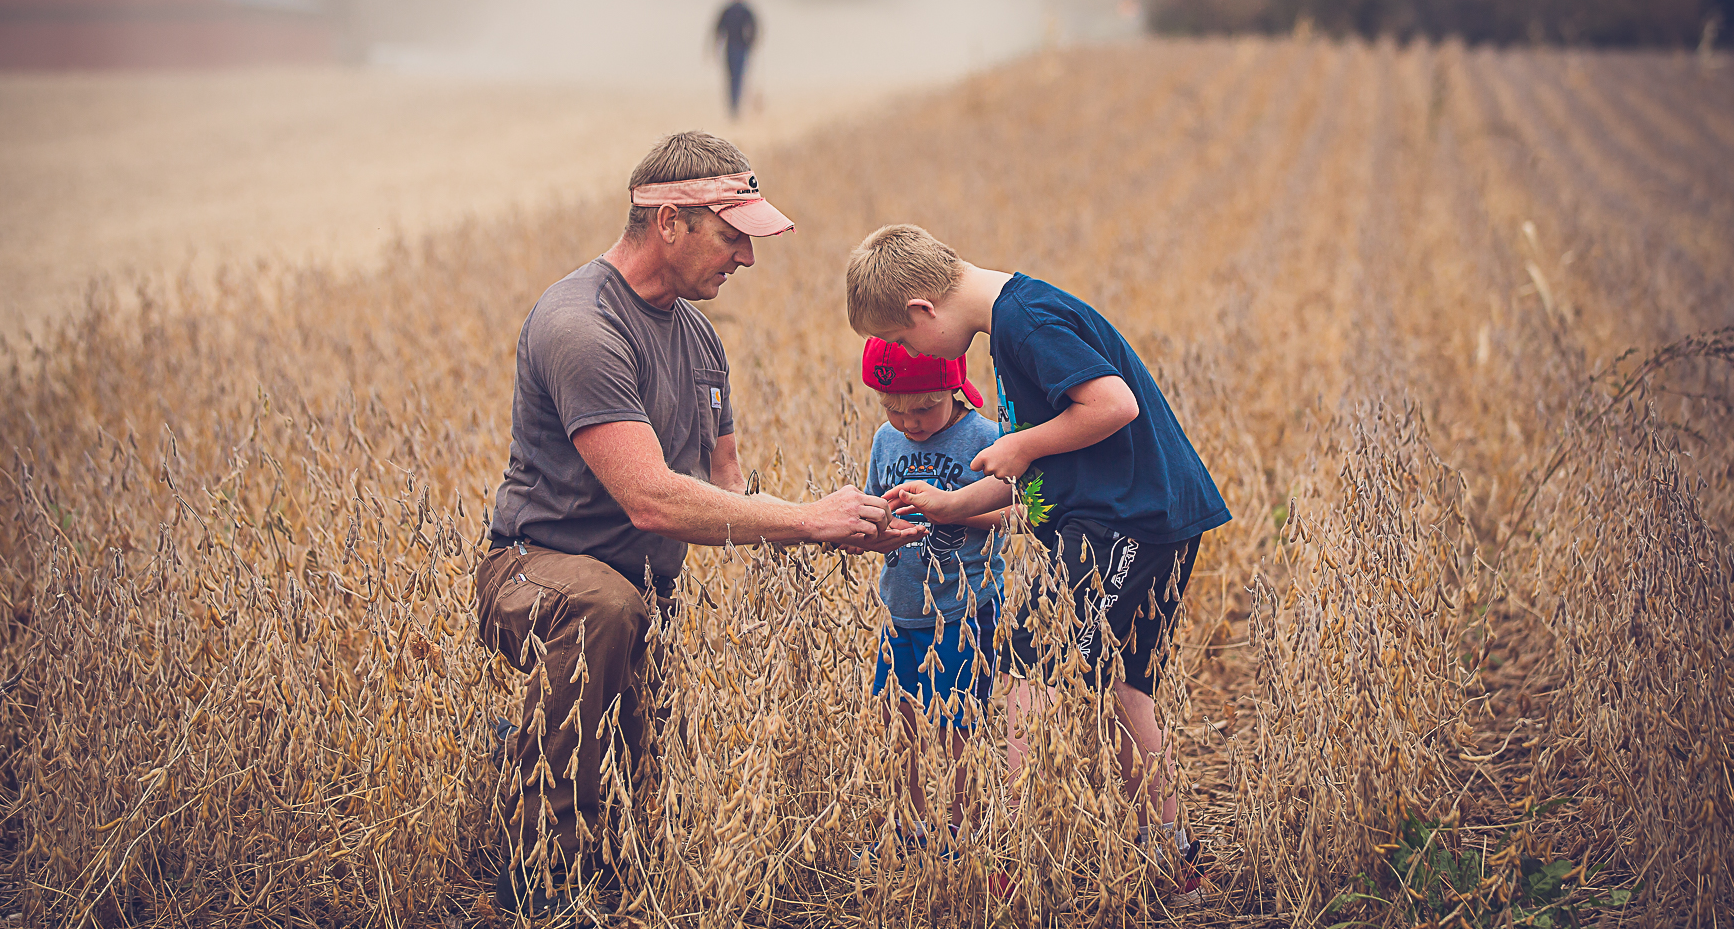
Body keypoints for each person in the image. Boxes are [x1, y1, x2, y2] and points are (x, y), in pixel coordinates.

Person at [479, 132, 903, 917]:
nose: (746, 258)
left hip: (646, 596)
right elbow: (653, 501)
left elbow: (726, 487)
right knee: (603, 609)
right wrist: (807, 522)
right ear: (669, 221)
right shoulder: (582, 325)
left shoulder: (701, 339)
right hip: (539, 570)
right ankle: (539, 881)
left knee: (643, 794)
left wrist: (845, 521)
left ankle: (529, 764)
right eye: (732, 236)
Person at [845, 224, 1230, 907]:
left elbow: (1113, 406)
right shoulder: (1010, 323)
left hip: (1127, 521)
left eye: (902, 342)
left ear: (921, 312)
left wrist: (1022, 448)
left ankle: (1013, 856)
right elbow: (1043, 461)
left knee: (1030, 664)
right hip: (1128, 518)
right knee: (1121, 691)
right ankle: (1176, 866)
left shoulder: (1026, 320)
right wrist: (951, 502)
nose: (906, 355)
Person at [855, 337, 1007, 856]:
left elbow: (1019, 512)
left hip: (964, 611)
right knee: (900, 723)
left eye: (923, 408)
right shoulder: (886, 441)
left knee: (959, 726)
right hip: (900, 610)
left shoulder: (985, 438)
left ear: (955, 388)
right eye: (894, 409)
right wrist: (872, 529)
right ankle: (909, 829)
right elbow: (876, 507)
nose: (910, 423)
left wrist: (950, 509)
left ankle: (966, 837)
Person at [708, 0, 759, 118]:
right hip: (741, 49)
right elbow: (754, 29)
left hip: (730, 48)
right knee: (738, 78)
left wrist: (715, 48)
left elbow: (718, 31)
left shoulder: (727, 10)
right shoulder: (746, 10)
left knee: (730, 78)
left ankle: (733, 107)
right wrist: (751, 44)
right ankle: (735, 107)